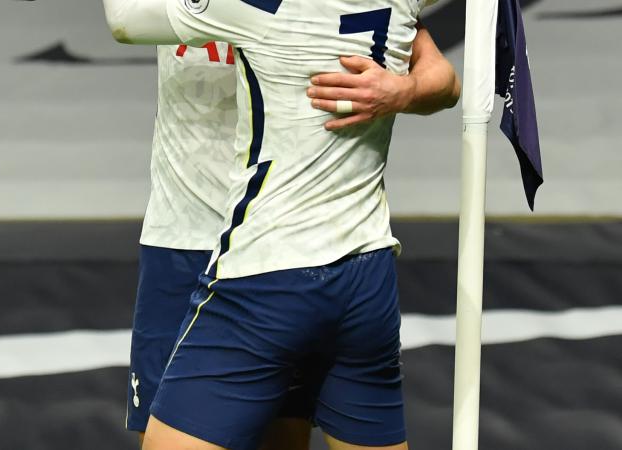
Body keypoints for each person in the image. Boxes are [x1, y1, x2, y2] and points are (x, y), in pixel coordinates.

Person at [105, 0, 460, 449]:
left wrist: (403, 92)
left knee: (281, 437)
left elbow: (442, 79)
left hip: (270, 249)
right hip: (185, 233)